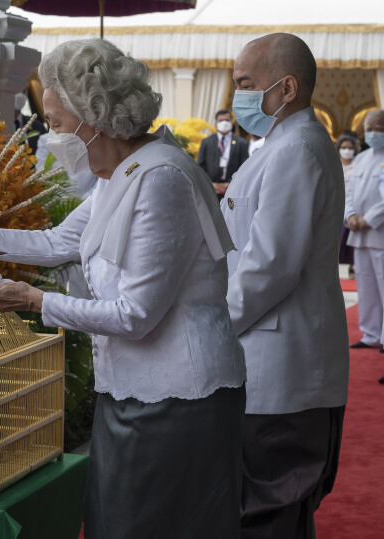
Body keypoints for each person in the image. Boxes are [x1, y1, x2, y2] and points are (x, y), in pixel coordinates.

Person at [0, 39, 247, 539]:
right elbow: (56, 241)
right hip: (132, 388)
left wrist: (33, 301)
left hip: (179, 398)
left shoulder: (160, 177)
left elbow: (135, 315)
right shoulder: (118, 173)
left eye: (55, 122)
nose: (51, 134)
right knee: (111, 522)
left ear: (93, 116)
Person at [221, 33, 349, 538]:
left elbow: (270, 265)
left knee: (271, 512)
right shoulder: (281, 144)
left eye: (246, 84)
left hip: (284, 367)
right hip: (269, 354)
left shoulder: (297, 148)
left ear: (287, 86)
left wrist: (214, 325)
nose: (238, 97)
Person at [345, 110, 384, 352]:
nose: (372, 132)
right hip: (358, 233)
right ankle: (370, 334)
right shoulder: (361, 158)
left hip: (379, 232)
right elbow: (348, 192)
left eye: (377, 127)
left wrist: (368, 219)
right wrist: (350, 215)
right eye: (368, 128)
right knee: (366, 286)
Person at [197, 109, 250, 198]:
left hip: (233, 189)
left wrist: (231, 183)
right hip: (211, 190)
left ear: (232, 122)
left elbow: (245, 166)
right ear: (216, 123)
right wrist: (210, 184)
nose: (224, 123)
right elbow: (200, 166)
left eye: (227, 120)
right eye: (221, 120)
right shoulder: (206, 142)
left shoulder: (242, 143)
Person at [338, 134, 361, 275]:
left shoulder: (358, 166)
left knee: (351, 240)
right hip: (336, 206)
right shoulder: (333, 164)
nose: (347, 150)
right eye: (344, 147)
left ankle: (353, 267)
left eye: (350, 148)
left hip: (353, 207)